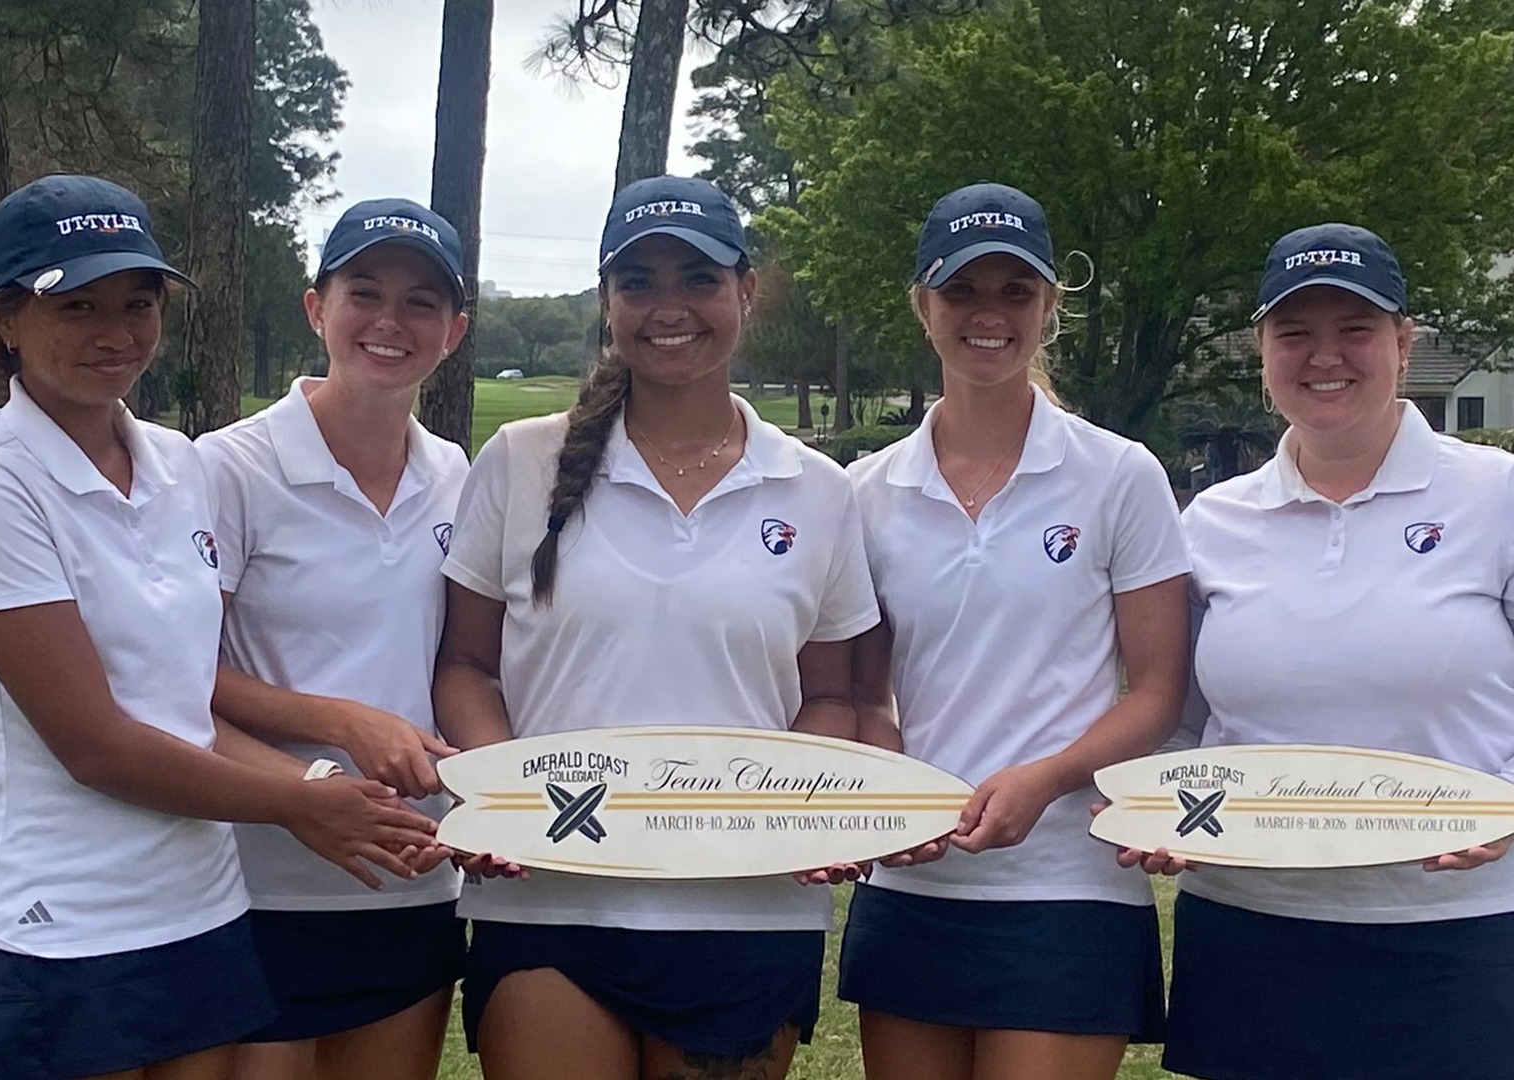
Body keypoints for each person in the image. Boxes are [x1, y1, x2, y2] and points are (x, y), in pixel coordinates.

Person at [0, 174, 438, 1080]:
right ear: (5, 321)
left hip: (198, 917)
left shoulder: (173, 464)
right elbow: (98, 747)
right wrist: (300, 800)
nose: (114, 333)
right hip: (53, 930)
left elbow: (181, 701)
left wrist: (317, 780)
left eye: (137, 302)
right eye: (76, 306)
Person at [1145, 223, 1514, 1080]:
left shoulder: (1510, 496)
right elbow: (1187, 726)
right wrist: (1168, 811)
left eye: (1355, 330)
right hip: (1255, 931)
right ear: (1262, 350)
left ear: (1404, 344)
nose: (1323, 356)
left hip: (1472, 930)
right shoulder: (1211, 522)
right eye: (1294, 332)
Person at [432, 175, 882, 1080]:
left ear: (745, 291)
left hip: (746, 906)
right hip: (548, 899)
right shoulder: (521, 461)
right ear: (606, 300)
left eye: (698, 278)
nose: (667, 306)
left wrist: (806, 812)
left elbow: (832, 693)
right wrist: (500, 799)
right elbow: (466, 667)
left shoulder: (819, 490)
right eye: (638, 282)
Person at [836, 183, 1193, 1080]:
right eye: (962, 291)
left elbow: (1157, 690)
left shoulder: (1120, 475)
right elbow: (861, 691)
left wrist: (1048, 778)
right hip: (912, 880)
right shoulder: (867, 491)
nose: (987, 315)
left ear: (1048, 308)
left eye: (1015, 292)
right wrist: (892, 790)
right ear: (924, 306)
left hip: (1068, 883)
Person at [197, 199, 472, 1080]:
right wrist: (341, 724)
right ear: (317, 308)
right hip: (261, 879)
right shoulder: (227, 468)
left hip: (414, 877)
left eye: (421, 302)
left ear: (454, 331)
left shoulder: (456, 476)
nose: (390, 323)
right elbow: (172, 673)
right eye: (365, 292)